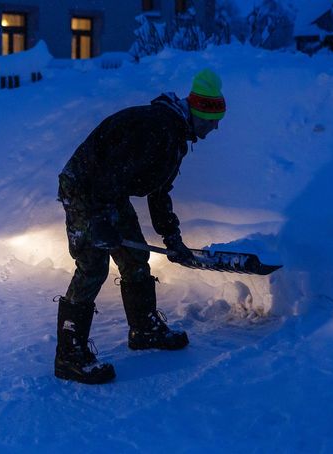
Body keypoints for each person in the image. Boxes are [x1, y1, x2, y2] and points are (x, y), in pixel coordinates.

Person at [54, 69, 226, 384]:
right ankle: (70, 355)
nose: (216, 127)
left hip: (109, 191)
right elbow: (108, 173)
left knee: (134, 259)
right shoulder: (156, 128)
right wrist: (101, 220)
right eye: (214, 120)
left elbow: (159, 191)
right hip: (84, 189)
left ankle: (144, 328)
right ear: (200, 114)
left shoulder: (174, 135)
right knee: (93, 267)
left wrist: (172, 237)